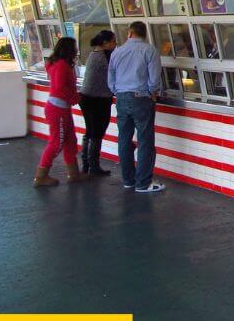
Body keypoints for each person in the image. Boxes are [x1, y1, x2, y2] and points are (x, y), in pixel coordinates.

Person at [107, 21, 164, 193]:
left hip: (121, 98)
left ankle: (128, 180)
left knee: (124, 139)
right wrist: (152, 92)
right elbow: (154, 78)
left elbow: (111, 77)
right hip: (141, 98)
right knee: (145, 141)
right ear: (144, 34)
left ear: (130, 33)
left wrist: (117, 91)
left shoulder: (117, 52)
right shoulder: (149, 50)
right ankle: (143, 183)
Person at [33, 37, 90, 187]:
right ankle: (41, 175)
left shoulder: (56, 64)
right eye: (75, 48)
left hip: (60, 108)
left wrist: (73, 97)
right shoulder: (62, 65)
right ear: (69, 50)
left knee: (70, 141)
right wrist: (74, 97)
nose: (77, 50)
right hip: (58, 109)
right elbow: (60, 88)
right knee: (56, 143)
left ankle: (74, 174)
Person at [79, 30, 117, 176]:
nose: (115, 44)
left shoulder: (92, 54)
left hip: (86, 97)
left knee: (90, 131)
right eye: (113, 41)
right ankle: (93, 166)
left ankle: (86, 164)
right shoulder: (106, 56)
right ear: (105, 43)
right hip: (99, 99)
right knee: (97, 132)